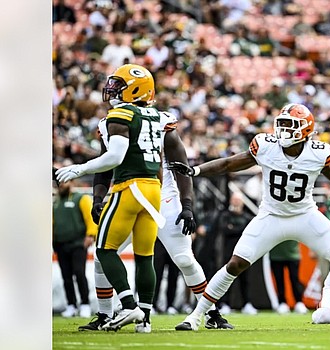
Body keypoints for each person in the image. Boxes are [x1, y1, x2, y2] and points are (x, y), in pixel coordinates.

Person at [168, 103, 330, 330]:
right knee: (235, 264)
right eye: (282, 124)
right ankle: (196, 316)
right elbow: (230, 163)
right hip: (271, 215)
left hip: (305, 215)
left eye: (291, 125)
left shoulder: (318, 152)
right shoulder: (266, 145)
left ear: (306, 129)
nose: (284, 130)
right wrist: (196, 170)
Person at [57, 64, 226, 333]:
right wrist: (98, 198)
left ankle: (211, 312)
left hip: (163, 197)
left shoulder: (156, 121)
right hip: (143, 192)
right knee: (116, 256)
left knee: (182, 258)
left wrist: (188, 205)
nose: (112, 91)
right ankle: (110, 314)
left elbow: (181, 168)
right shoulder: (117, 121)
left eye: (118, 86)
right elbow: (106, 170)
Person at [53, 178, 97, 318]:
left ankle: (85, 304)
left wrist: (91, 234)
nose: (62, 185)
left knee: (79, 273)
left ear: (72, 182)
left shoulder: (81, 198)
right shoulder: (56, 202)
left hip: (78, 243)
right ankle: (71, 305)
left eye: (64, 182)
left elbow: (90, 218)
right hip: (60, 243)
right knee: (66, 276)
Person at [214, 192, 257, 315]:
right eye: (234, 200)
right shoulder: (225, 215)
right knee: (227, 278)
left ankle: (247, 304)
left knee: (246, 279)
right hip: (229, 252)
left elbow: (248, 230)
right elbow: (225, 229)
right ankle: (225, 303)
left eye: (238, 200)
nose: (236, 202)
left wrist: (234, 228)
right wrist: (239, 229)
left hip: (244, 252)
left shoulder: (247, 217)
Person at [270, 240, 308, 314]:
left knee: (295, 279)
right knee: (279, 280)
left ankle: (299, 302)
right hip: (276, 255)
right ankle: (282, 303)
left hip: (293, 254)